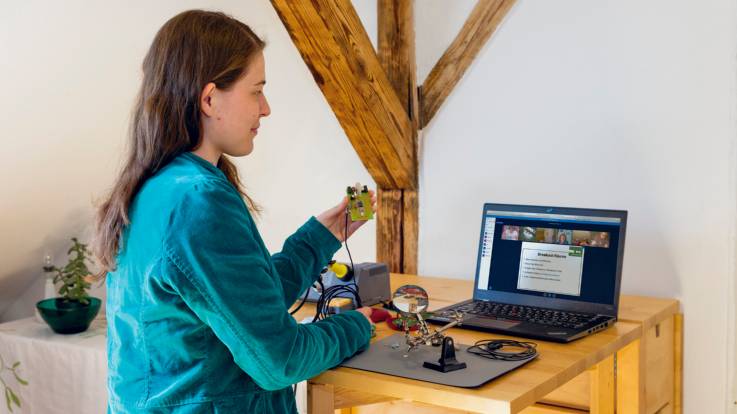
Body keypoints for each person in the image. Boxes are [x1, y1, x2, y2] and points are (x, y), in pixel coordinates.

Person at [93, 10, 374, 413]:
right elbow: (281, 360)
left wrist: (323, 236)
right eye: (256, 91)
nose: (266, 109)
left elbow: (245, 302)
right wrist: (357, 326)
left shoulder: (155, 188)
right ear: (209, 99)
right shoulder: (198, 201)